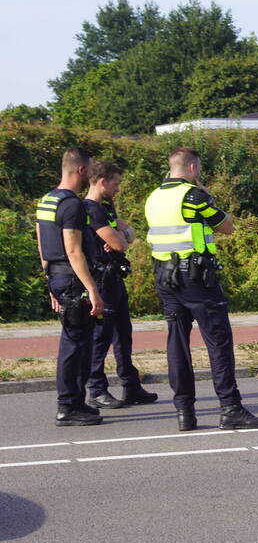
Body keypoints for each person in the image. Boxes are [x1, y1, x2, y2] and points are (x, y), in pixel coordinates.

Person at [144, 147, 258, 432]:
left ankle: (184, 412)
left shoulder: (153, 197)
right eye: (197, 168)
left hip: (165, 276)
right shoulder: (193, 196)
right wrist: (204, 192)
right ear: (191, 167)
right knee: (218, 341)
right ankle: (230, 408)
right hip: (196, 278)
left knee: (177, 343)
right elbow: (226, 226)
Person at [35, 147, 105, 426]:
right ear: (80, 170)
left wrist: (50, 285)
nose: (90, 174)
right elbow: (74, 250)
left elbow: (42, 245)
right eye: (89, 169)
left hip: (57, 276)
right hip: (73, 279)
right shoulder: (72, 204)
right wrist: (92, 289)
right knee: (76, 344)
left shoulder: (47, 200)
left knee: (72, 341)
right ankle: (68, 406)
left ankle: (73, 402)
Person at [83, 160, 159, 409]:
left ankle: (131, 386)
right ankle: (96, 389)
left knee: (123, 335)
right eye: (116, 183)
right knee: (101, 337)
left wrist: (121, 236)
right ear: (103, 181)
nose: (118, 189)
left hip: (114, 279)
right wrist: (121, 239)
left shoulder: (105, 209)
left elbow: (130, 233)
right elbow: (120, 244)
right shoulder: (90, 210)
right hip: (101, 280)